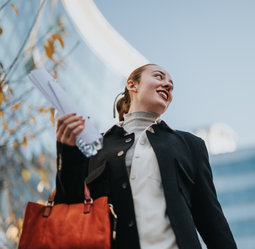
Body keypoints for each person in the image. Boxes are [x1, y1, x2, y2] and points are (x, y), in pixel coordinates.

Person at [54, 64, 237, 249]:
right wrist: (67, 153)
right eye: (159, 77)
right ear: (132, 85)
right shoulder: (96, 146)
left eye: (171, 84)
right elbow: (70, 209)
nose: (168, 85)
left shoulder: (190, 145)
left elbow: (212, 221)